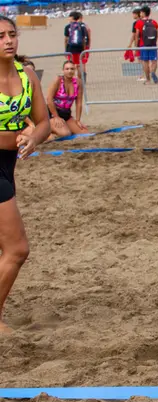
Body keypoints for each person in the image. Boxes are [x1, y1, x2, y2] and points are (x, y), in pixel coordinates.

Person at [0, 15, 51, 334]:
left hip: (7, 165)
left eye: (12, 34)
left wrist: (34, 137)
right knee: (18, 249)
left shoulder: (26, 73)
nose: (8, 40)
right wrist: (18, 134)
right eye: (0, 35)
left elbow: (44, 121)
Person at [46, 60, 87, 138]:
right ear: (63, 70)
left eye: (72, 69)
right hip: (53, 112)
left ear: (74, 70)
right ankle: (49, 127)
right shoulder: (57, 81)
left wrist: (78, 120)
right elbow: (49, 99)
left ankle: (59, 127)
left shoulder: (78, 82)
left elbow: (78, 103)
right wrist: (56, 116)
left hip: (66, 114)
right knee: (65, 134)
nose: (69, 71)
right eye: (67, 69)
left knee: (84, 133)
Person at [134, 5, 158, 85]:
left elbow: (137, 35)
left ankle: (148, 79)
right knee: (154, 61)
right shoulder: (154, 22)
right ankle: (153, 72)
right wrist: (154, 42)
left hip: (143, 44)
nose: (140, 14)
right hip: (153, 44)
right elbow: (157, 34)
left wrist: (136, 46)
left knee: (145, 62)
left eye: (141, 12)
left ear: (143, 13)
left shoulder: (139, 23)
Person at [63, 11, 90, 83]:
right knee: (79, 65)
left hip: (70, 48)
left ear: (72, 18)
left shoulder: (67, 27)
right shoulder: (82, 26)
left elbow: (66, 39)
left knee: (71, 64)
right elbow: (84, 39)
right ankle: (80, 80)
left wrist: (65, 50)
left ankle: (71, 80)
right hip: (80, 48)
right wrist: (84, 50)